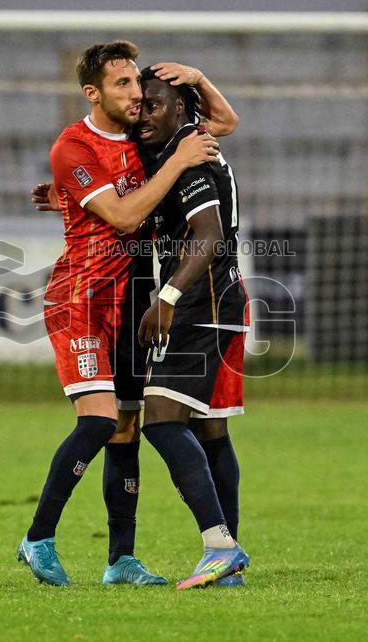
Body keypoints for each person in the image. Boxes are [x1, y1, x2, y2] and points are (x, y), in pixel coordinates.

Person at [24, 48, 240, 587]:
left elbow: (219, 124)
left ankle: (122, 560)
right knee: (105, 421)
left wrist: (197, 77)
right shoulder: (77, 145)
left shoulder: (150, 141)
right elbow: (123, 211)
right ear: (93, 92)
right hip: (84, 299)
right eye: (123, 85)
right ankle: (38, 538)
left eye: (140, 90)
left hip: (140, 297)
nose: (136, 97)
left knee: (131, 424)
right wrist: (72, 194)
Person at [135, 69, 250, 589]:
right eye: (139, 107)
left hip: (200, 299)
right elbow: (227, 119)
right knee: (210, 428)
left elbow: (206, 236)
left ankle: (220, 545)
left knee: (160, 421)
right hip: (223, 297)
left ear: (181, 109)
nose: (142, 117)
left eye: (154, 106)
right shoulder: (186, 142)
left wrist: (167, 297)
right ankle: (227, 564)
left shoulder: (188, 158)